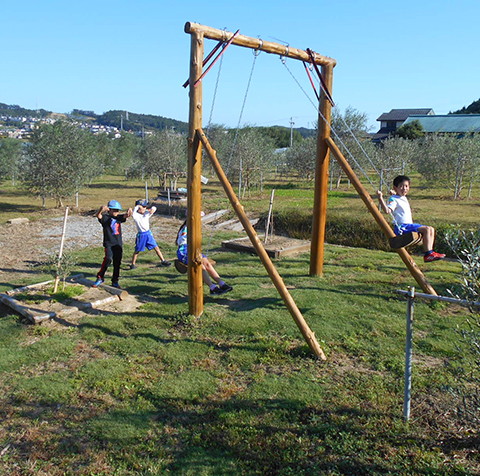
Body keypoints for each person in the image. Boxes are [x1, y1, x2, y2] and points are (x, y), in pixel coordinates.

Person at [377, 175, 445, 262]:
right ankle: (428, 253)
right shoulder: (393, 199)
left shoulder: (401, 197)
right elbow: (387, 210)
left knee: (431, 229)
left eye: (406, 186)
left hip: (409, 225)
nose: (404, 188)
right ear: (395, 187)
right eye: (401, 186)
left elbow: (398, 197)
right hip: (402, 227)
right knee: (427, 229)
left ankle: (431, 252)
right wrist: (380, 198)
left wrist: (395, 193)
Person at [176, 219, 233, 295]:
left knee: (207, 264)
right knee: (200, 266)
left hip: (194, 249)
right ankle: (212, 287)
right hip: (184, 251)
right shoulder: (185, 229)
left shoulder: (194, 228)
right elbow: (180, 242)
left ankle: (221, 283)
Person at [94, 199, 132, 288]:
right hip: (109, 243)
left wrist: (129, 212)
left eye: (117, 210)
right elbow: (98, 216)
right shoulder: (105, 218)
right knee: (108, 258)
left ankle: (115, 280)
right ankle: (100, 276)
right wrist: (100, 209)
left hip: (118, 244)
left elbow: (126, 215)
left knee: (117, 263)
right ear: (109, 210)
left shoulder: (118, 218)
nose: (116, 212)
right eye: (114, 210)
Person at [130, 199, 171, 269]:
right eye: (143, 207)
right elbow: (133, 212)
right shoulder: (136, 216)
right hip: (141, 235)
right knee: (137, 250)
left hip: (148, 233)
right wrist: (138, 207)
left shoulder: (146, 214)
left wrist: (151, 209)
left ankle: (163, 261)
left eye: (145, 207)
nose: (144, 208)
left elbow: (154, 208)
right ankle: (133, 264)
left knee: (156, 247)